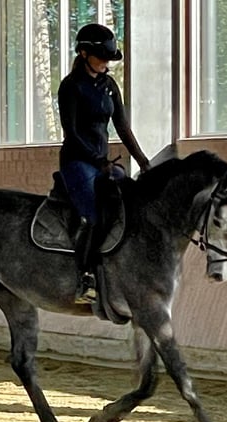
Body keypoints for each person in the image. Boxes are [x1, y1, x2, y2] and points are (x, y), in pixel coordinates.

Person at [58, 23, 151, 305]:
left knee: (130, 205)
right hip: (78, 162)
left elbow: (121, 126)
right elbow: (71, 133)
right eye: (102, 58)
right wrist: (98, 161)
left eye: (109, 59)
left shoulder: (109, 86)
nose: (107, 64)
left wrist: (144, 161)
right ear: (84, 53)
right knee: (96, 214)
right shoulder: (70, 87)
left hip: (104, 163)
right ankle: (85, 277)